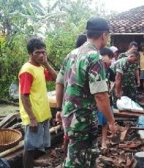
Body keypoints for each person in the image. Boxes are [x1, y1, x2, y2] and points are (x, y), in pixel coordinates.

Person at [62, 17, 117, 167]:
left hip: (71, 116)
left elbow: (60, 83)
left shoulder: (72, 54)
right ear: (104, 35)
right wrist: (111, 122)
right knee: (76, 162)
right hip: (82, 121)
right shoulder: (94, 57)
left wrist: (60, 110)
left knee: (89, 156)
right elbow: (100, 95)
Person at [18, 38, 57, 168]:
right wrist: (32, 118)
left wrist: (46, 63)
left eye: (43, 52)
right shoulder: (27, 70)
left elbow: (56, 78)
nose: (41, 55)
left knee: (36, 146)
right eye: (38, 53)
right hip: (34, 116)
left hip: (42, 113)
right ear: (30, 53)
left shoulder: (39, 67)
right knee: (29, 148)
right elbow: (24, 96)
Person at [55, 34, 87, 158]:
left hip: (67, 106)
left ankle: (65, 159)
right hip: (82, 111)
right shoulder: (89, 58)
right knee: (79, 142)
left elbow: (59, 83)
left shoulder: (69, 57)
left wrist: (59, 108)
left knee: (67, 136)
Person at [97, 47, 114, 150]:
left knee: (104, 123)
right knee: (94, 123)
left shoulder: (110, 72)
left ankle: (103, 142)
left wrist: (109, 92)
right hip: (95, 101)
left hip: (107, 101)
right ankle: (93, 142)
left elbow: (112, 84)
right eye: (109, 57)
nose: (110, 60)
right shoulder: (95, 69)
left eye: (111, 58)